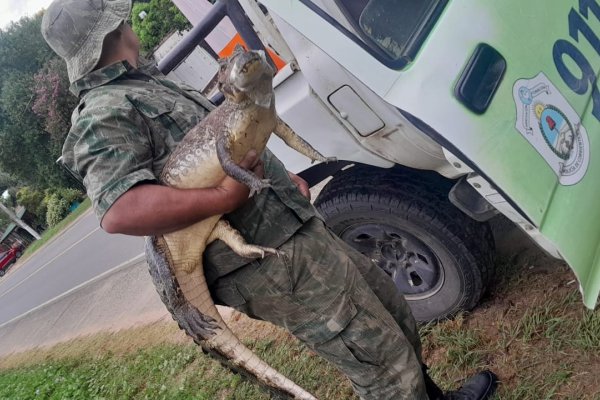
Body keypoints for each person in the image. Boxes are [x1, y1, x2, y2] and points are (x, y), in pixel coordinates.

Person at [41, 1, 498, 399]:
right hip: (267, 263)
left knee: (391, 312)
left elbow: (234, 142)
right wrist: (224, 196)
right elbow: (123, 210)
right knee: (376, 359)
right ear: (116, 29)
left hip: (293, 225)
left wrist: (286, 178)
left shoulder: (147, 84)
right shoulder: (103, 112)